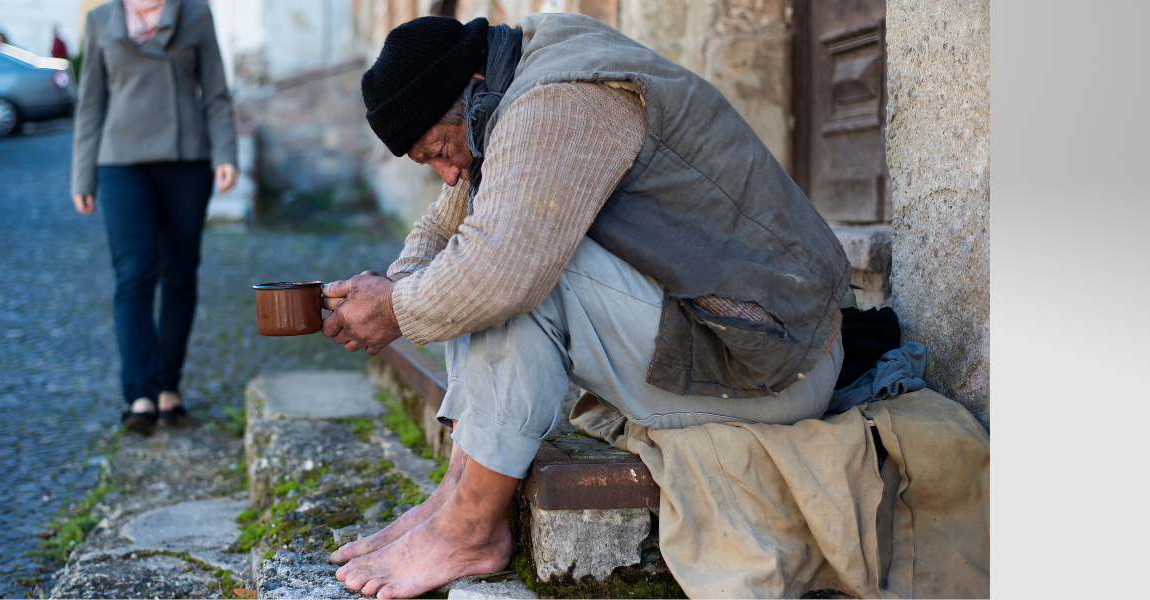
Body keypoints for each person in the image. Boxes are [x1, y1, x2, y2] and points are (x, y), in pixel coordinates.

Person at [319, 13, 852, 599]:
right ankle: (456, 498)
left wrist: (396, 307)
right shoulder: (513, 75)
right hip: (755, 344)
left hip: (773, 369)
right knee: (486, 259)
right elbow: (446, 223)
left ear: (471, 88)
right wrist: (398, 283)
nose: (449, 173)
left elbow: (497, 274)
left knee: (514, 271)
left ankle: (471, 528)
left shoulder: (558, 100)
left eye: (442, 150)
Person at [70, 0, 238, 435]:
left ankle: (168, 388)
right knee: (134, 275)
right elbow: (91, 102)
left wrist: (225, 153)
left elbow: (216, 91)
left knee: (179, 274)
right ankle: (140, 393)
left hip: (186, 161)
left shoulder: (195, 13)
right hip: (121, 164)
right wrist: (82, 174)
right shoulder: (100, 19)